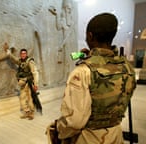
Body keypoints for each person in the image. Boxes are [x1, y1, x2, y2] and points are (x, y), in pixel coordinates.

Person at [46, 13, 136, 144]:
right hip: (116, 135)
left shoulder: (82, 72)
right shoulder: (128, 68)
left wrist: (58, 129)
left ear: (90, 35)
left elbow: (74, 123)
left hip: (90, 138)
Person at [3, 43, 39, 120]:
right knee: (22, 99)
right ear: (20, 54)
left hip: (30, 83)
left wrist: (35, 84)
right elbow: (14, 59)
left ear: (26, 54)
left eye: (24, 53)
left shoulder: (30, 62)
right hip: (23, 84)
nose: (23, 55)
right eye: (22, 53)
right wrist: (8, 52)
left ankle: (32, 113)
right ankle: (27, 112)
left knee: (30, 99)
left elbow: (35, 73)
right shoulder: (20, 61)